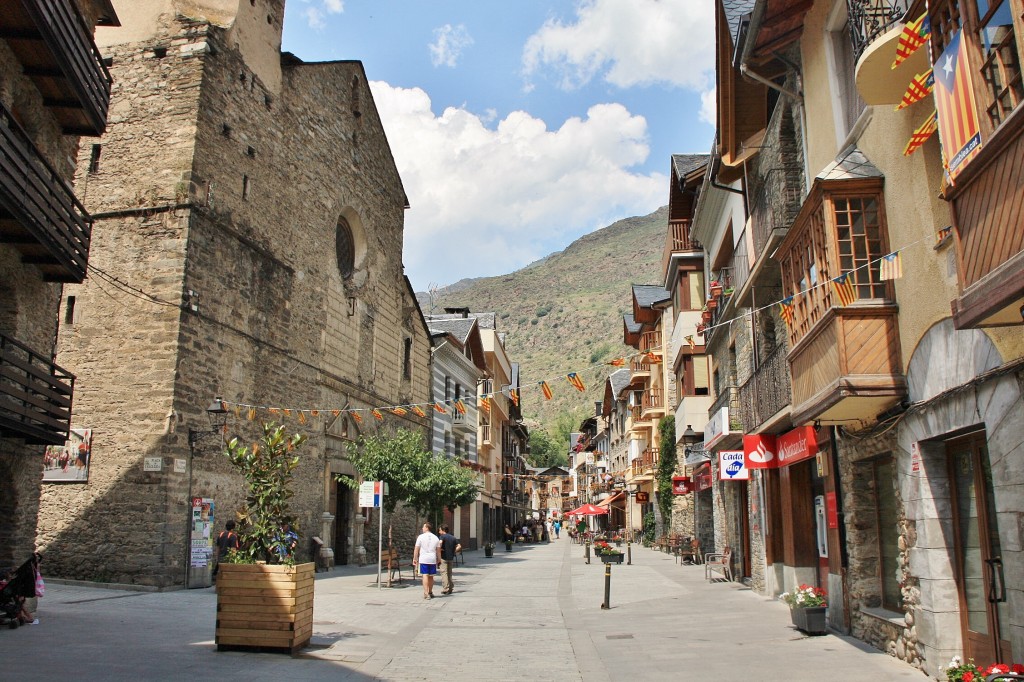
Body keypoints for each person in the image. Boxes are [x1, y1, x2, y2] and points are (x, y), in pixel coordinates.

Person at [412, 522, 440, 599]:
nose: (422, 528)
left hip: (424, 559)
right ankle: (430, 591)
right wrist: (439, 559)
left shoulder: (420, 537)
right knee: (431, 576)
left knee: (425, 575)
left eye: (423, 527)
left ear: (427, 528)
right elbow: (438, 550)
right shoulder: (436, 537)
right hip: (432, 558)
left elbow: (416, 548)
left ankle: (426, 592)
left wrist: (415, 558)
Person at [436, 524, 461, 595]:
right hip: (451, 557)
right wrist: (454, 551)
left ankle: (445, 588)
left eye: (440, 530)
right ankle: (450, 588)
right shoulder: (453, 537)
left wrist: (439, 549)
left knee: (444, 573)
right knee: (450, 573)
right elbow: (459, 546)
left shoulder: (442, 537)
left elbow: (440, 543)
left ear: (443, 530)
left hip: (443, 557)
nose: (439, 531)